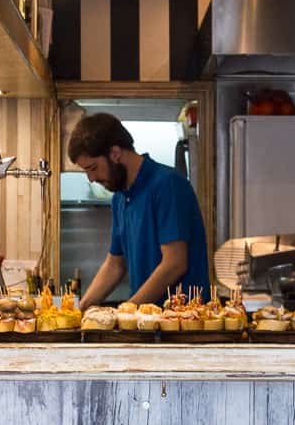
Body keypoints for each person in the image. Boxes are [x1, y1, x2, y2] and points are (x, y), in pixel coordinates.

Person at [69, 113, 209, 311]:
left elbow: (175, 263)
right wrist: (80, 309)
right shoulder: (120, 197)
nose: (91, 178)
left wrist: (127, 310)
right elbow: (115, 264)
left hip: (181, 325)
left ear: (115, 153)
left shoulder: (167, 185)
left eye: (93, 168)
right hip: (146, 325)